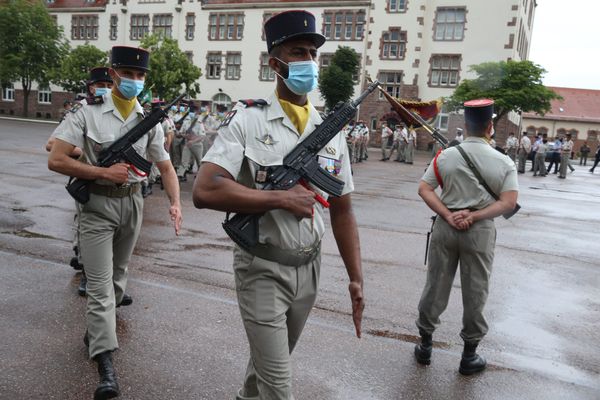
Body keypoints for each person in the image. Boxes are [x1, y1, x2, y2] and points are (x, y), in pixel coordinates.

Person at [192, 11, 364, 399]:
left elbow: (343, 208)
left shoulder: (329, 131)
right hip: (262, 268)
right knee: (279, 387)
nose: (308, 62)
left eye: (312, 54)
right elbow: (205, 190)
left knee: (269, 366)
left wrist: (356, 278)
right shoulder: (247, 119)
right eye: (298, 52)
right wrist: (278, 198)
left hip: (309, 269)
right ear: (276, 63)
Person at [48, 46, 182, 400]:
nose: (134, 81)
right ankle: (105, 363)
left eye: (140, 76)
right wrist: (101, 172)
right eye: (128, 74)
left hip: (133, 204)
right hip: (96, 206)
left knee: (119, 277)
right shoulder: (86, 114)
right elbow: (57, 159)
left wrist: (176, 202)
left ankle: (97, 331)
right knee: (100, 284)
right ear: (113, 73)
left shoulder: (148, 120)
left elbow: (165, 166)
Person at [414, 99, 518, 375]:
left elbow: (425, 189)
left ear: (466, 126)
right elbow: (508, 203)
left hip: (445, 227)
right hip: (479, 231)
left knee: (436, 284)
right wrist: (474, 216)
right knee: (476, 290)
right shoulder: (504, 161)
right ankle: (469, 355)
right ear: (490, 127)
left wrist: (448, 215)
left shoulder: (445, 156)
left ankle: (425, 345)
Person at [46, 67, 114, 296]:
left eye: (110, 84)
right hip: (84, 175)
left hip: (110, 181)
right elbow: (51, 145)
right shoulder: (82, 110)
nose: (106, 88)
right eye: (101, 84)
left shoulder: (114, 112)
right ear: (91, 87)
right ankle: (87, 274)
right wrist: (80, 149)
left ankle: (108, 281)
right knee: (86, 225)